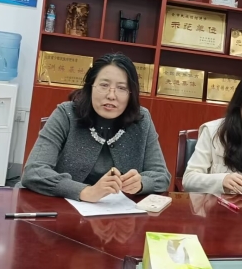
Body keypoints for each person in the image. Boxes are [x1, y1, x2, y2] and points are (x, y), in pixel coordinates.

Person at [22, 53, 170, 202]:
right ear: (90, 86)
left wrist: (141, 183)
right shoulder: (66, 114)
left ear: (131, 93)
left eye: (121, 88)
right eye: (104, 85)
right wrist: (85, 192)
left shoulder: (142, 119)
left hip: (117, 212)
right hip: (62, 206)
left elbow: (162, 176)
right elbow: (34, 171)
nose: (111, 95)